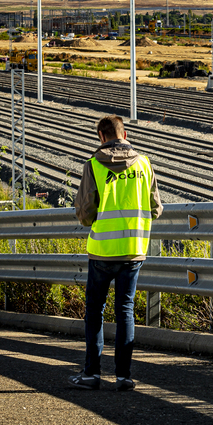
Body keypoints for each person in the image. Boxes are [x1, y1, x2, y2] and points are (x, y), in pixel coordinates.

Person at [69, 114, 163, 391]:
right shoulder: (144, 164)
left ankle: (91, 374)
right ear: (124, 133)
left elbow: (86, 214)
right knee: (125, 311)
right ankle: (124, 376)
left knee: (95, 312)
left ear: (101, 136)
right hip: (134, 249)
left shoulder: (94, 165)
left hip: (102, 251)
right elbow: (156, 208)